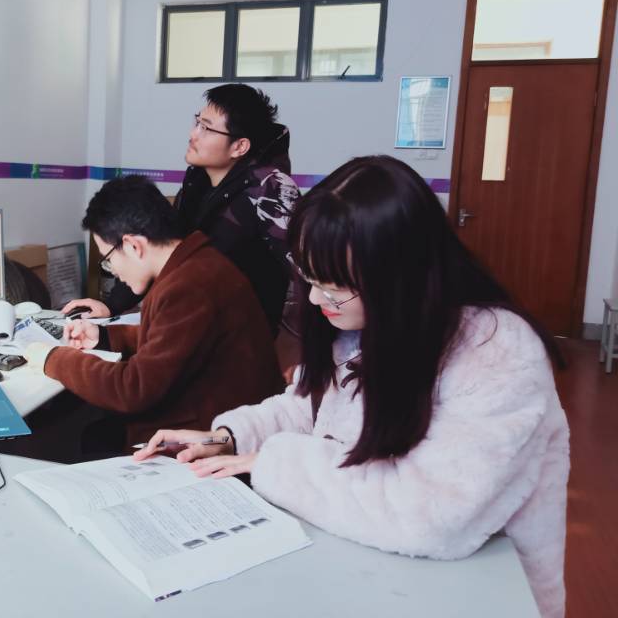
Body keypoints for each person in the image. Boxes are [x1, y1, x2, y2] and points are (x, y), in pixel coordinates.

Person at [134, 156, 570, 618]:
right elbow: (308, 407)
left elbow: (435, 515)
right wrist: (229, 438)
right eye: (309, 278)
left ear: (400, 275)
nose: (316, 298)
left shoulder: (496, 351)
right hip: (368, 568)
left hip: (469, 594)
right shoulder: (364, 325)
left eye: (334, 287)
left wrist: (271, 464)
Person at [22, 175, 282, 452]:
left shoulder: (188, 285)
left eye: (108, 260)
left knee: (93, 436)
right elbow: (176, 338)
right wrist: (105, 336)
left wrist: (53, 358)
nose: (114, 271)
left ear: (133, 245)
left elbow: (132, 390)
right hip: (216, 414)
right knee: (95, 431)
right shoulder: (197, 264)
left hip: (211, 437)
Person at [63, 84, 299, 333]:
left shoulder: (270, 188)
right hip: (197, 322)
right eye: (197, 122)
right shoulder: (197, 179)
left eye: (206, 128)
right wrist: (110, 306)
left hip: (241, 336)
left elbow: (309, 274)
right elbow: (161, 247)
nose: (193, 134)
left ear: (239, 146)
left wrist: (301, 349)